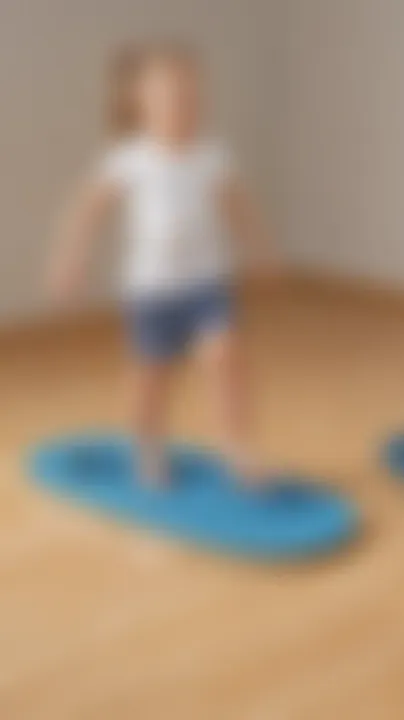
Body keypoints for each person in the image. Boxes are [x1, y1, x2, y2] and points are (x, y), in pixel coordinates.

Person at [49, 42, 279, 488]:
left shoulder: (213, 155)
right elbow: (87, 211)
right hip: (152, 291)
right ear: (142, 104)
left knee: (227, 357)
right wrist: (71, 258)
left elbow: (238, 206)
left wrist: (259, 248)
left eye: (194, 96)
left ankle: (237, 446)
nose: (187, 104)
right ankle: (148, 447)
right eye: (174, 96)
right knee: (150, 379)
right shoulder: (127, 159)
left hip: (207, 284)